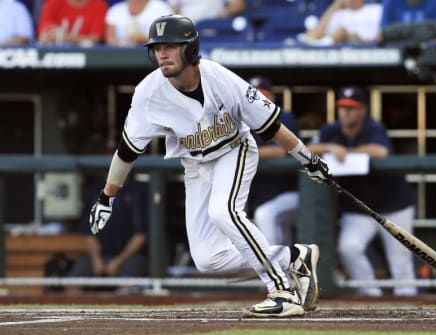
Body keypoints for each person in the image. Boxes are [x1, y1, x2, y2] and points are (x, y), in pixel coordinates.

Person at [89, 14, 331, 317]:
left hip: (234, 149)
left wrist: (307, 159)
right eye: (157, 47)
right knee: (208, 259)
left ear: (190, 48)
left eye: (171, 46)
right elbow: (127, 151)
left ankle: (282, 290)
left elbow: (270, 126)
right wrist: (106, 197)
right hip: (196, 164)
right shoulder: (148, 94)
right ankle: (293, 257)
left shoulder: (221, 78)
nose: (162, 53)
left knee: (223, 211)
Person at [308, 86, 417, 297]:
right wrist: (331, 147)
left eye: (352, 108)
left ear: (362, 110)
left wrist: (346, 152)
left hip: (394, 204)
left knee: (400, 257)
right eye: (343, 108)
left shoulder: (372, 127)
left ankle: (408, 303)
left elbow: (381, 151)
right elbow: (307, 148)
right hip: (359, 207)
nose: (346, 112)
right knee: (349, 248)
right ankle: (370, 295)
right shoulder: (331, 130)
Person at [67, 176, 148, 291]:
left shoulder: (138, 191)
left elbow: (140, 236)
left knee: (128, 285)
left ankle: (119, 309)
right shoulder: (95, 190)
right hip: (100, 254)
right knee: (72, 282)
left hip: (129, 256)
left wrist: (118, 262)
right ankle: (80, 309)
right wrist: (96, 259)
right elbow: (89, 233)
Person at [247, 75, 300, 246]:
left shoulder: (283, 118)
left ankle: (273, 268)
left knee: (265, 216)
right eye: (254, 96)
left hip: (291, 193)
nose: (258, 100)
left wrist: (245, 152)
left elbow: (280, 150)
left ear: (272, 98)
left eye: (263, 96)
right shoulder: (240, 120)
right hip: (260, 195)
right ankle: (284, 268)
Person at [297, 0, 383, 46]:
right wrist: (336, 5)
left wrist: (351, 39)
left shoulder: (376, 10)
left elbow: (383, 38)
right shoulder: (338, 14)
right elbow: (311, 37)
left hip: (367, 55)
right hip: (337, 60)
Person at [37, 0, 108, 46]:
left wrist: (65, 37)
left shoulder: (99, 5)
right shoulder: (53, 3)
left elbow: (95, 39)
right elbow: (44, 33)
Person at [105, 0, 174, 46]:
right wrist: (125, 42)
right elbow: (110, 39)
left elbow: (169, 37)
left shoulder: (161, 8)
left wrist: (142, 39)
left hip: (154, 56)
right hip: (121, 58)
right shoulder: (115, 10)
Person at [167, 0, 246, 24]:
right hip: (186, 32)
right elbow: (174, 11)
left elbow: (238, 5)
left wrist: (217, 20)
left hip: (214, 31)